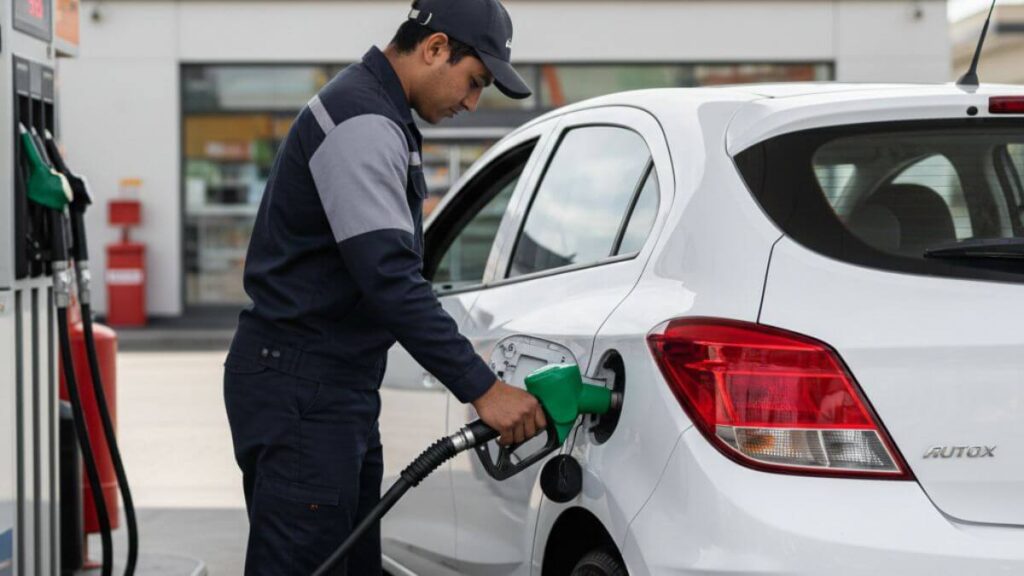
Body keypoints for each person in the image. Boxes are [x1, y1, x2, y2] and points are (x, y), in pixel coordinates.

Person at [222, 0, 545, 574]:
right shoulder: (363, 121)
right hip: (303, 388)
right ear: (436, 48)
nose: (472, 102)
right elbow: (390, 278)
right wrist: (483, 389)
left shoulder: (376, 112)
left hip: (322, 386)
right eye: (475, 81)